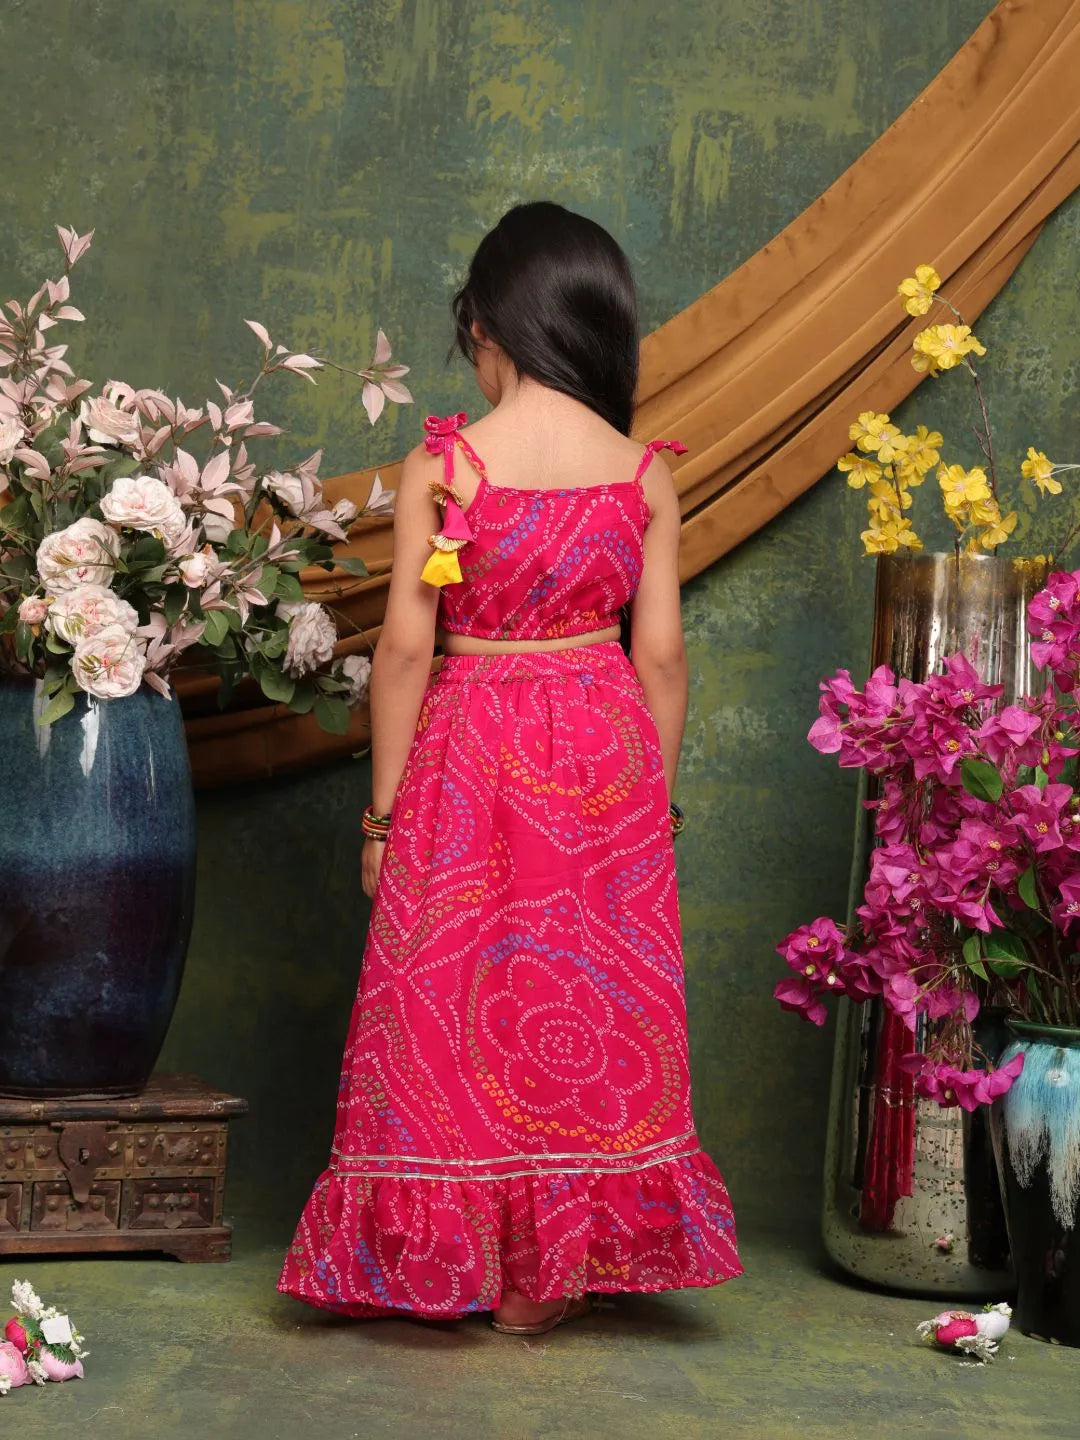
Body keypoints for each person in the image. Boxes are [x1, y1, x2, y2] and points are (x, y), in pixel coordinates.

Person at [279, 201, 741, 1335]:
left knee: (455, 993)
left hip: (470, 744)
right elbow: (665, 658)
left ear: (487, 324)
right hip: (603, 745)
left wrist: (380, 825)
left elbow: (399, 649)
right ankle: (553, 1265)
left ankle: (462, 1250)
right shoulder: (644, 475)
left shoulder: (449, 465)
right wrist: (651, 812)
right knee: (580, 994)